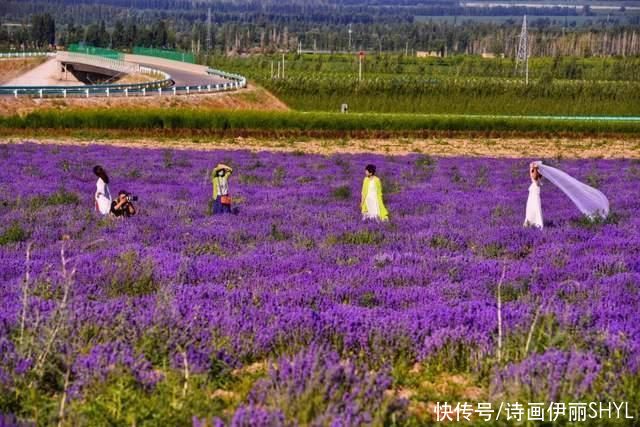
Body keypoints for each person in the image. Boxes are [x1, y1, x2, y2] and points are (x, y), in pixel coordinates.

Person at [524, 162, 543, 229]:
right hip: (534, 199)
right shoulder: (538, 180)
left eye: (533, 171)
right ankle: (534, 223)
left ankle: (532, 223)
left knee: (533, 210)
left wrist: (532, 168)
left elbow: (532, 176)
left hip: (533, 200)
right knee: (535, 210)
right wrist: (533, 167)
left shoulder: (535, 181)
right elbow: (533, 175)